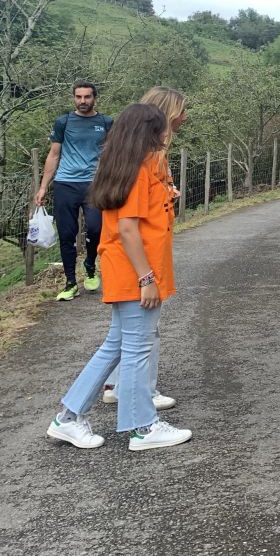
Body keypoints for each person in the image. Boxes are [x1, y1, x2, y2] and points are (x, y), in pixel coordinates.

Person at [45, 103, 192, 451]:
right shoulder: (137, 170)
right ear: (147, 132)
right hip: (134, 272)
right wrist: (147, 278)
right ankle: (143, 428)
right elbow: (127, 229)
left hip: (130, 270)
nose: (165, 133)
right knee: (137, 349)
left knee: (117, 346)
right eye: (160, 127)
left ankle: (68, 418)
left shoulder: (128, 166)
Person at [101, 87, 186, 411]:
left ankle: (116, 386)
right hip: (137, 259)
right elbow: (127, 223)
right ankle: (141, 402)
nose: (184, 118)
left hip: (132, 255)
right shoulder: (146, 159)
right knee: (143, 332)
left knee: (124, 333)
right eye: (180, 111)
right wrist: (147, 277)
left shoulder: (132, 156)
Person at [35, 81, 113, 301]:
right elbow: (54, 155)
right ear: (74, 98)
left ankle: (90, 264)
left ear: (95, 97)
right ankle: (70, 283)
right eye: (78, 97)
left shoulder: (106, 122)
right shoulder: (64, 122)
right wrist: (43, 187)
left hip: (94, 185)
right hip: (65, 184)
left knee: (96, 229)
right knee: (67, 234)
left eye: (87, 97)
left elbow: (111, 154)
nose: (83, 101)